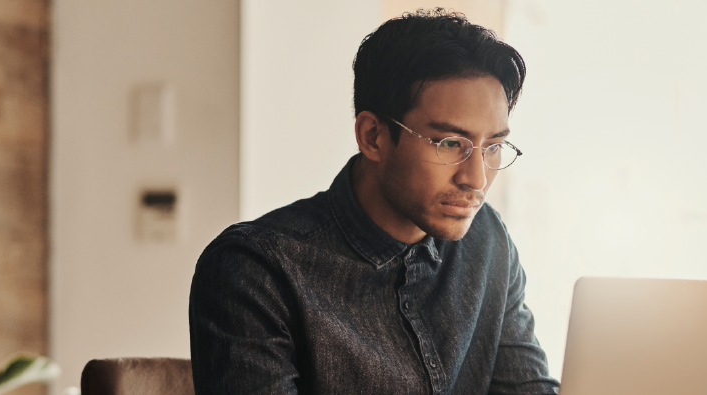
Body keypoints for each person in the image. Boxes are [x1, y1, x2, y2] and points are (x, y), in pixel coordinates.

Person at [188, 8, 559, 395]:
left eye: (494, 147)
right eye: (451, 144)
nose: (477, 179)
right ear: (373, 136)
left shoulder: (488, 241)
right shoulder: (256, 270)